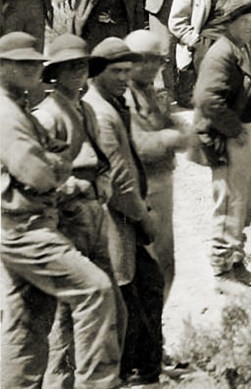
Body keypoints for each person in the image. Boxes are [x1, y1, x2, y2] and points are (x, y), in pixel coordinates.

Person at [0, 32, 122, 389]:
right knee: (95, 290)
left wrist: (53, 162)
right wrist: (57, 166)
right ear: (2, 67)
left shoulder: (18, 107)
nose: (31, 69)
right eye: (21, 63)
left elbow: (54, 156)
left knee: (26, 325)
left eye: (33, 63)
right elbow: (37, 173)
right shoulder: (9, 114)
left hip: (23, 224)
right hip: (26, 227)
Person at [31, 34, 116, 389]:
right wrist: (69, 189)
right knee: (64, 311)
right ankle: (58, 382)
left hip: (94, 210)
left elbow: (100, 155)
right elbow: (32, 175)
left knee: (103, 302)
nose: (80, 74)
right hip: (65, 214)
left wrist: (105, 178)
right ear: (56, 73)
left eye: (83, 66)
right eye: (71, 68)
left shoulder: (86, 109)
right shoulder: (45, 116)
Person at [84, 37, 165, 385]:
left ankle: (145, 368)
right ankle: (126, 371)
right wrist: (142, 215)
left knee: (145, 287)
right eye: (116, 71)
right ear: (97, 73)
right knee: (128, 295)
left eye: (127, 71)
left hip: (124, 217)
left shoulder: (113, 102)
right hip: (115, 219)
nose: (123, 78)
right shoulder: (101, 113)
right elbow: (118, 178)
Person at [189, 0, 251, 287]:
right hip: (223, 139)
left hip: (236, 136)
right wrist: (235, 131)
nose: (250, 26)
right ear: (230, 23)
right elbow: (207, 99)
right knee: (227, 206)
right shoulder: (221, 52)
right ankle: (224, 273)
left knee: (240, 205)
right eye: (244, 21)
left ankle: (236, 263)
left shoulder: (239, 48)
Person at [123, 29, 188, 299]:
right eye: (143, 59)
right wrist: (174, 136)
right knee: (151, 269)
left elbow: (179, 132)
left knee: (165, 264)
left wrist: (174, 134)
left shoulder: (150, 92)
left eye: (156, 60)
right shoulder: (126, 97)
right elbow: (142, 146)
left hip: (161, 184)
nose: (150, 66)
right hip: (143, 189)